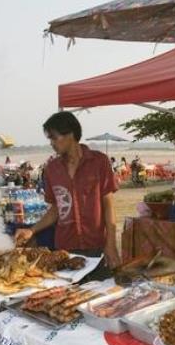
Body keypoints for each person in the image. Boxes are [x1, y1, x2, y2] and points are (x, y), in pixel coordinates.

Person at [15, 111, 120, 267]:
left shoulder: (99, 162)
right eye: (49, 139)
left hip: (96, 246)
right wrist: (32, 230)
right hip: (65, 249)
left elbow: (108, 205)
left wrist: (111, 244)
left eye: (54, 137)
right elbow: (56, 209)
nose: (51, 143)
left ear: (70, 134)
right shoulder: (52, 169)